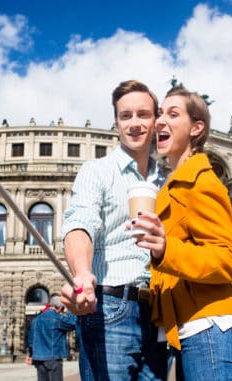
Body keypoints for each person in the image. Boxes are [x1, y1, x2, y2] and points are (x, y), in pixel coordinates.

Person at [132, 85, 232, 380]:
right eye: (160, 114)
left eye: (173, 114)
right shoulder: (172, 185)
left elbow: (230, 260)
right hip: (191, 329)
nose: (159, 121)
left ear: (197, 128)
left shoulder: (201, 181)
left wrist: (165, 249)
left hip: (211, 327)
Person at [60, 80, 169, 380]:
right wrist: (82, 272)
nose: (134, 123)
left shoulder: (168, 181)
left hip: (160, 313)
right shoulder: (96, 171)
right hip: (110, 308)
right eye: (125, 116)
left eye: (142, 115)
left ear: (155, 119)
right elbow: (80, 222)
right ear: (116, 123)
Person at [26, 294, 77, 381]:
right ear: (60, 307)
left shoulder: (35, 320)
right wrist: (67, 311)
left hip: (39, 358)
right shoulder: (58, 319)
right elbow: (75, 323)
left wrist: (31, 355)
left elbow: (31, 341)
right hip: (54, 358)